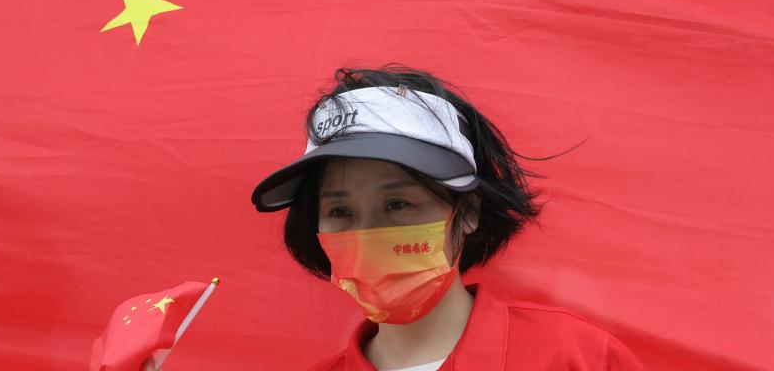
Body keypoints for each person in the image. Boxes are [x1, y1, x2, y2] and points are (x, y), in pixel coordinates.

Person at [251, 65, 645, 370]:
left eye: (397, 204)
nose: (367, 233)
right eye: (340, 211)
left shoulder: (576, 357)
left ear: (467, 211)